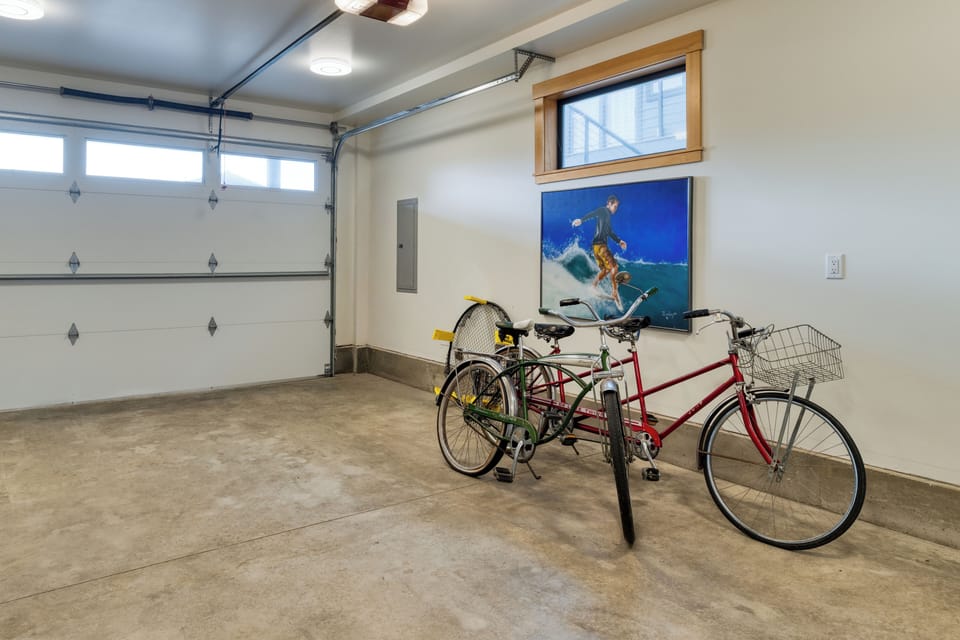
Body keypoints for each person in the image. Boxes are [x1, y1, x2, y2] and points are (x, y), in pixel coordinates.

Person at [571, 194, 627, 307]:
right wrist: (581, 220)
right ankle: (615, 292)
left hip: (596, 247)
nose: (616, 209)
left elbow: (610, 231)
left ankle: (593, 286)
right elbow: (593, 213)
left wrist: (619, 241)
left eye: (617, 207)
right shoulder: (603, 210)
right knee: (614, 267)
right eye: (615, 206)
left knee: (606, 270)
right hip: (601, 246)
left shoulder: (607, 217)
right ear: (609, 204)